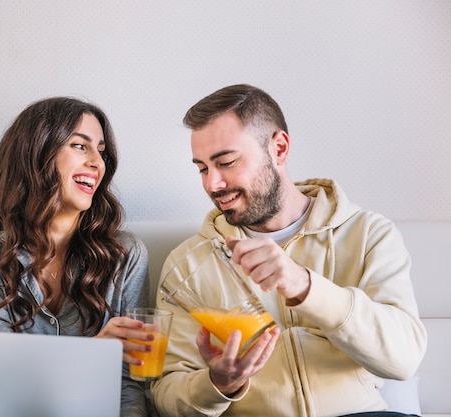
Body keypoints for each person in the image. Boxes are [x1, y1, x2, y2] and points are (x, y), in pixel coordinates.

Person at [151, 84, 427, 417]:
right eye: (202, 168)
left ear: (279, 149)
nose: (212, 184)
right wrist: (219, 384)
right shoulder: (189, 264)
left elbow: (404, 358)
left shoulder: (368, 233)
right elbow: (166, 396)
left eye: (226, 162)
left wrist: (306, 286)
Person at [0, 97, 152, 417]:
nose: (97, 163)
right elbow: (4, 378)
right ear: (38, 154)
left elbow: (129, 382)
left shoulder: (124, 255)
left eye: (101, 151)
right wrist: (94, 352)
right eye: (80, 146)